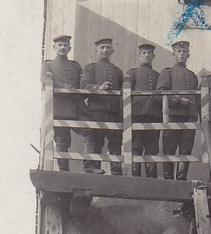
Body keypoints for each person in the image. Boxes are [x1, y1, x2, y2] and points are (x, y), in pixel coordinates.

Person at [156, 40, 200, 181]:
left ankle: (181, 179)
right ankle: (168, 180)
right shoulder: (167, 72)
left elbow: (197, 98)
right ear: (173, 54)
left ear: (188, 54)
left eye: (184, 51)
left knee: (185, 151)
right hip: (173, 117)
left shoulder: (192, 75)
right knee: (170, 149)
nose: (181, 54)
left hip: (189, 119)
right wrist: (178, 100)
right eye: (179, 51)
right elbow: (160, 93)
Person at [81, 38, 124, 174]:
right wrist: (99, 87)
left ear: (112, 50)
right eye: (102, 48)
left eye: (107, 48)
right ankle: (92, 167)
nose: (105, 50)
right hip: (97, 111)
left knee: (116, 142)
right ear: (96, 50)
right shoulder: (90, 68)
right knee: (95, 139)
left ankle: (116, 170)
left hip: (113, 112)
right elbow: (84, 85)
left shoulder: (117, 71)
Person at [41, 34, 83, 172]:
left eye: (65, 45)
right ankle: (63, 170)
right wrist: (65, 88)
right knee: (62, 140)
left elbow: (82, 84)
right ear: (54, 47)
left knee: (92, 132)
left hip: (77, 107)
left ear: (69, 48)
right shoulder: (48, 65)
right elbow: (46, 83)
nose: (63, 47)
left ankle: (90, 167)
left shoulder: (75, 66)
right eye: (60, 45)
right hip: (60, 107)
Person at [125, 42, 161, 178]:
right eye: (144, 53)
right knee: (136, 147)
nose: (147, 56)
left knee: (152, 148)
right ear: (139, 56)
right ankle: (136, 175)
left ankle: (152, 176)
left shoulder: (158, 75)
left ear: (153, 56)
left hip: (154, 116)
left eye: (149, 53)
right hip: (138, 115)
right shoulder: (132, 73)